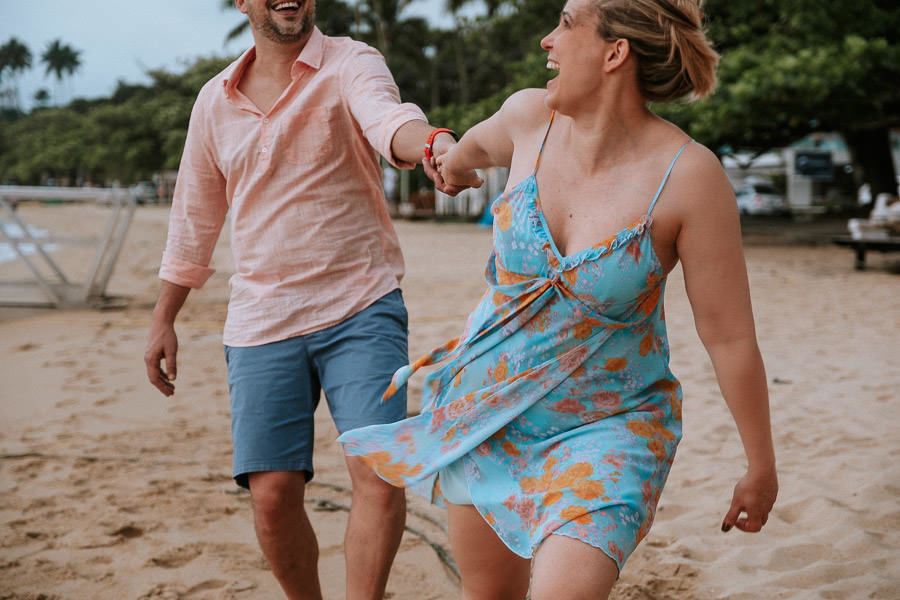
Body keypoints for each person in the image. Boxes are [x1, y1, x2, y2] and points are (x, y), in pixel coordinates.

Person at [337, 0, 778, 597]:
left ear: (614, 53)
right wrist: (449, 161)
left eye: (567, 23)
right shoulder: (527, 119)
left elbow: (728, 335)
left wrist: (760, 464)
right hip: (487, 414)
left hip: (608, 428)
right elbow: (461, 156)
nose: (548, 40)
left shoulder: (690, 178)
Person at [142, 1, 468, 599]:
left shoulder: (351, 63)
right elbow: (195, 216)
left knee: (377, 475)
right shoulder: (214, 101)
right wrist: (165, 317)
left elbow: (388, 121)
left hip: (361, 305)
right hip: (261, 318)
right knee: (270, 497)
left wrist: (435, 146)